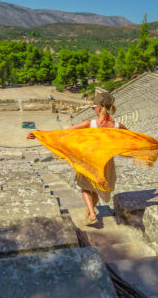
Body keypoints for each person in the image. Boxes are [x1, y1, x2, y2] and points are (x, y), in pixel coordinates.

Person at [28, 92, 126, 225]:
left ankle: (91, 213)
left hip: (88, 161)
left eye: (93, 107)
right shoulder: (117, 126)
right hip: (106, 163)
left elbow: (66, 133)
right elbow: (133, 138)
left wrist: (41, 133)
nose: (93, 110)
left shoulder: (89, 123)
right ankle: (90, 211)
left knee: (86, 188)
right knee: (97, 189)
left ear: (98, 108)